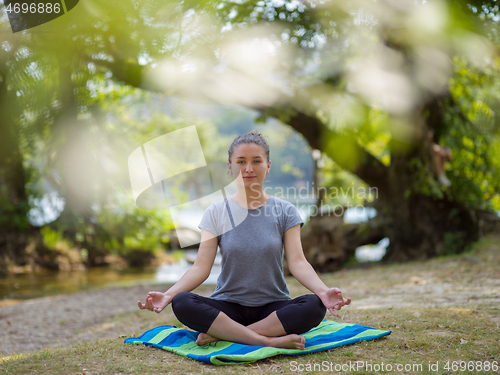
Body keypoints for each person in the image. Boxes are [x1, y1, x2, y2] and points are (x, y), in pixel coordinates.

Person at [138, 131, 351, 350]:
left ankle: (224, 335)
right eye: (241, 162)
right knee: (182, 302)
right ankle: (268, 340)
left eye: (256, 161)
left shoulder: (285, 211)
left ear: (268, 166)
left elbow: (297, 262)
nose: (248, 169)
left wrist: (323, 291)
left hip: (272, 309)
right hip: (227, 308)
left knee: (314, 305)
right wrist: (168, 294)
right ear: (230, 167)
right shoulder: (216, 212)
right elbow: (201, 267)